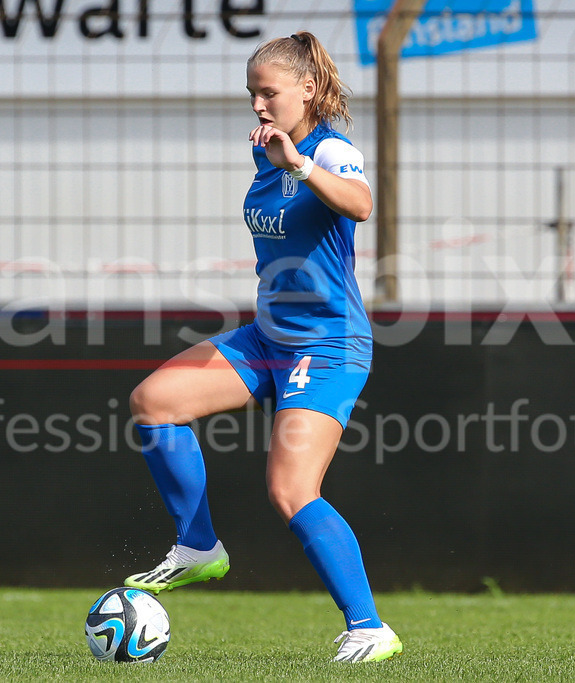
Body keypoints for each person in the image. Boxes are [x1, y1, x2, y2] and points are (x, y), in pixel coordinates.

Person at [124, 31, 403, 664]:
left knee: (290, 491)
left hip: (327, 345)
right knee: (154, 401)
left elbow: (360, 204)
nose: (257, 104)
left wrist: (301, 165)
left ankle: (368, 627)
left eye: (268, 91)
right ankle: (198, 547)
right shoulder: (264, 152)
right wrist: (280, 160)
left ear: (307, 88)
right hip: (268, 337)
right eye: (251, 93)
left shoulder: (330, 147)